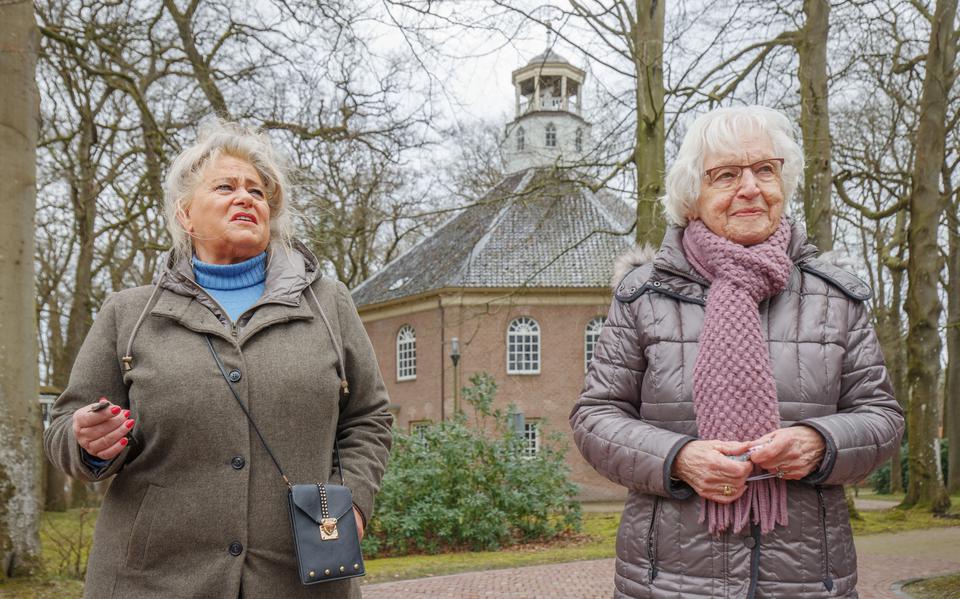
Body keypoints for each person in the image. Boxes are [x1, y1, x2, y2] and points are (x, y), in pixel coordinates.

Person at [44, 120, 393, 599]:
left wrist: (351, 499)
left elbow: (369, 417)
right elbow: (64, 426)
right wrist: (85, 442)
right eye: (226, 186)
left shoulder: (328, 305)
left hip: (298, 578)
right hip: (151, 579)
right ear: (186, 214)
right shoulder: (128, 313)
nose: (245, 197)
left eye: (257, 191)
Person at [571, 105, 903, 599]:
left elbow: (883, 419)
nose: (750, 187)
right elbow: (594, 417)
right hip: (668, 581)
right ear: (692, 197)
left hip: (809, 580)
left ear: (782, 185)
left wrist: (820, 442)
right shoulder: (644, 297)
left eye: (765, 169)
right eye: (726, 175)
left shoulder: (835, 298)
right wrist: (678, 459)